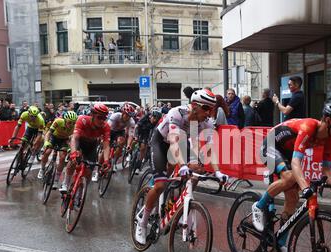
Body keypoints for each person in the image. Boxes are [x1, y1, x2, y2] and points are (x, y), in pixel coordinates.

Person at [251, 102, 331, 252]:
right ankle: (259, 206)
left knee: (293, 197)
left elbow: (327, 168)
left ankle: (281, 242)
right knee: (290, 177)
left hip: (286, 151)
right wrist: (306, 188)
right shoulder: (308, 127)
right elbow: (295, 163)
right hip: (270, 145)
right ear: (328, 120)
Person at [134, 89, 229, 244]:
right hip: (161, 142)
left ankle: (177, 206)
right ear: (194, 106)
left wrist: (218, 172)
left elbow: (209, 150)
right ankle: (143, 222)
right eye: (206, 108)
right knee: (160, 185)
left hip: (181, 142)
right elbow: (174, 141)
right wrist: (183, 164)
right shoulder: (176, 113)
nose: (209, 113)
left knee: (197, 171)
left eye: (211, 109)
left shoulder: (206, 124)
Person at [59, 104, 111, 193]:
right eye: (99, 117)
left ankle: (81, 192)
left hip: (92, 145)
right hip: (80, 142)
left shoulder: (105, 126)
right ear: (92, 115)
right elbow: (74, 138)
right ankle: (65, 183)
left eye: (104, 118)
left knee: (88, 172)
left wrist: (106, 161)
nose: (102, 121)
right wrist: (74, 152)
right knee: (73, 161)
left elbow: (106, 145)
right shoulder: (82, 120)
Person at [92, 103, 136, 181]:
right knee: (105, 150)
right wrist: (104, 140)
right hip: (110, 130)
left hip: (119, 132)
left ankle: (113, 162)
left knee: (121, 142)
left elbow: (130, 135)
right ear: (123, 113)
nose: (128, 118)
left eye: (130, 116)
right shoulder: (115, 116)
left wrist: (129, 145)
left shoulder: (131, 122)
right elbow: (107, 129)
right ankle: (97, 172)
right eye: (127, 115)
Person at [38, 111, 78, 189]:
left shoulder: (74, 127)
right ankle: (42, 169)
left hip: (64, 140)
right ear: (65, 120)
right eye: (70, 122)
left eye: (73, 123)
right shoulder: (58, 121)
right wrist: (46, 142)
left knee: (62, 158)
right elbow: (49, 133)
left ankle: (56, 180)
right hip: (54, 137)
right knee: (47, 151)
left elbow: (72, 140)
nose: (71, 125)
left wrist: (71, 149)